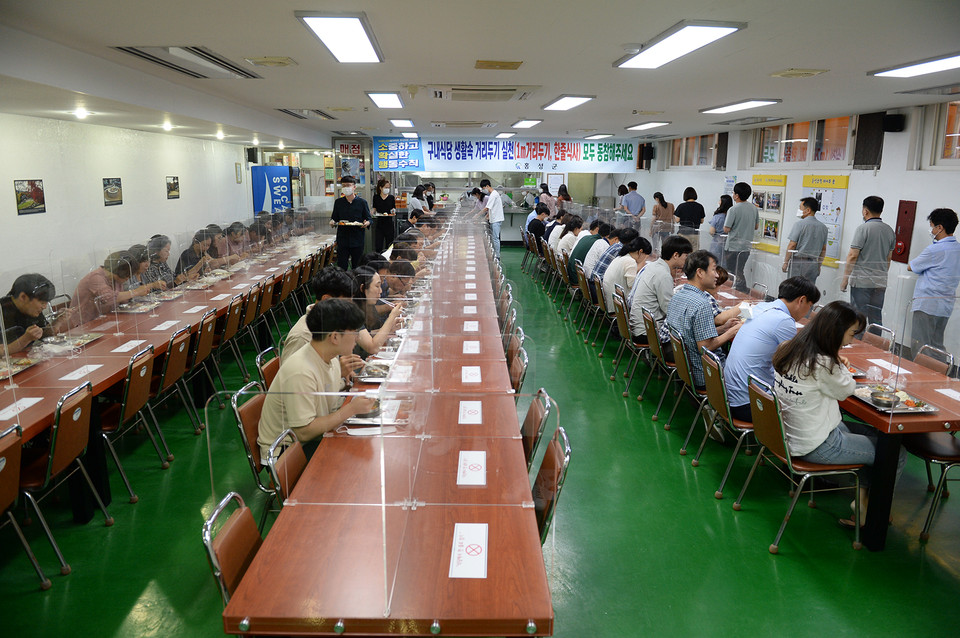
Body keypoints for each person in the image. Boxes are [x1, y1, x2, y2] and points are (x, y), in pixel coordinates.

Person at [773, 300, 905, 527]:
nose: (852, 341)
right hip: (817, 445)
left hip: (790, 436)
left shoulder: (791, 348)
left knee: (876, 439)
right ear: (835, 331)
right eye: (852, 334)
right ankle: (875, 513)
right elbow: (847, 390)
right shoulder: (823, 363)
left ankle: (862, 501)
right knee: (897, 453)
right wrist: (837, 360)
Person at [258, 299, 377, 462]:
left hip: (310, 438)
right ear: (335, 337)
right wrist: (350, 409)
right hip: (286, 452)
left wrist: (345, 381)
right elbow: (304, 432)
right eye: (354, 332)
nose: (357, 338)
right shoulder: (301, 370)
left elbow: (325, 391)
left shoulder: (330, 356)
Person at [724, 277, 820, 422]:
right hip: (748, 404)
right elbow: (796, 365)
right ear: (802, 300)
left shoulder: (761, 307)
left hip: (728, 395)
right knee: (807, 404)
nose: (808, 312)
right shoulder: (784, 321)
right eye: (810, 305)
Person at [281, 267, 402, 364]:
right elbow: (290, 390)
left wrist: (343, 376)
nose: (349, 308)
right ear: (327, 299)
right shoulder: (302, 337)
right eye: (346, 303)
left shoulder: (332, 321)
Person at [665, 250, 742, 389]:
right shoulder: (701, 304)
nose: (717, 275)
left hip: (686, 369)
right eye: (713, 270)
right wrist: (732, 331)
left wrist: (723, 328)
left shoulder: (678, 295)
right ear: (700, 272)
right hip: (702, 373)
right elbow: (706, 347)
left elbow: (692, 334)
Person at [907, 207, 960, 357]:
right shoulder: (958, 249)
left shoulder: (934, 250)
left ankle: (920, 378)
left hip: (926, 305)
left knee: (920, 346)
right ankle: (939, 377)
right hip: (946, 306)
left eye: (932, 227)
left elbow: (912, 266)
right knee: (936, 346)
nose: (931, 230)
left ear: (940, 227)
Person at [840, 196, 895, 327]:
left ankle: (857, 344)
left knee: (858, 317)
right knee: (876, 318)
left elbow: (853, 255)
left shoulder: (863, 229)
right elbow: (888, 258)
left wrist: (845, 279)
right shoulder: (889, 231)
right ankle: (875, 345)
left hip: (862, 282)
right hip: (880, 282)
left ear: (865, 211)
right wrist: (879, 275)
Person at [70, 251, 165, 326]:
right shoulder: (96, 277)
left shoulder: (116, 279)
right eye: (128, 275)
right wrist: (135, 292)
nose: (128, 278)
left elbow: (123, 302)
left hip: (106, 320)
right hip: (84, 325)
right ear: (121, 271)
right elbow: (108, 298)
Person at [629, 235, 692, 347]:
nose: (687, 260)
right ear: (676, 255)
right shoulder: (663, 275)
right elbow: (669, 310)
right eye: (686, 256)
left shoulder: (653, 266)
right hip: (646, 332)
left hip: (638, 326)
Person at [2, 274, 70, 354]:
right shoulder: (3, 310)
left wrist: (57, 321)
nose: (44, 307)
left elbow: (44, 335)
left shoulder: (31, 309)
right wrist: (26, 339)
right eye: (42, 303)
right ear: (23, 297)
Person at [723, 182, 760, 293]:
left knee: (732, 271)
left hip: (733, 246)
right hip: (746, 246)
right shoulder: (754, 209)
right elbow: (756, 226)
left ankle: (738, 291)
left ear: (737, 195)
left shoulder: (733, 209)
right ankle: (739, 291)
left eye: (734, 193)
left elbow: (726, 229)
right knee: (739, 270)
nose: (733, 195)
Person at [782, 197, 828, 283]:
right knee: (808, 290)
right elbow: (823, 249)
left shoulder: (799, 224)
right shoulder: (824, 228)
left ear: (808, 210)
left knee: (794, 288)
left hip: (798, 262)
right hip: (813, 264)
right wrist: (819, 265)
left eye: (800, 208)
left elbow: (792, 245)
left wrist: (785, 262)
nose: (799, 210)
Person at [331, 175, 371, 270]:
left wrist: (367, 223)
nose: (346, 188)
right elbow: (334, 218)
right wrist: (332, 222)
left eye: (348, 185)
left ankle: (356, 283)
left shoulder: (362, 202)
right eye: (344, 186)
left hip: (357, 238)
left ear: (354, 187)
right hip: (342, 239)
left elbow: (369, 219)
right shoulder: (338, 202)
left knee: (357, 265)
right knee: (342, 265)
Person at [601, 237, 651, 313]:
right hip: (617, 306)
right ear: (640, 252)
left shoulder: (621, 257)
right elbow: (633, 287)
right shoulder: (630, 261)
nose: (645, 258)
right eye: (646, 256)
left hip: (610, 301)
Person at [674, 187, 704, 252]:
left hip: (683, 233)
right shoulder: (700, 206)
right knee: (694, 252)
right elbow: (702, 221)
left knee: (682, 252)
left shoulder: (681, 206)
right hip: (695, 234)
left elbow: (677, 220)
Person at [480, 179, 504, 259]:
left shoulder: (493, 195)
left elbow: (487, 208)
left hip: (496, 219)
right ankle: (496, 254)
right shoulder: (493, 194)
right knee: (494, 237)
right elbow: (491, 209)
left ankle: (497, 256)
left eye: (484, 188)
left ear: (487, 186)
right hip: (495, 218)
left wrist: (476, 215)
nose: (484, 190)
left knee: (495, 238)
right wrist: (485, 218)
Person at [371, 177, 397, 253]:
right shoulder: (376, 197)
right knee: (378, 244)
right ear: (380, 188)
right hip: (379, 223)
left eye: (388, 187)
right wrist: (371, 212)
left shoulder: (391, 197)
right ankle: (378, 259)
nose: (387, 189)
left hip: (389, 222)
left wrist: (393, 212)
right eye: (386, 187)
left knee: (389, 244)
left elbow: (393, 208)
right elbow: (374, 208)